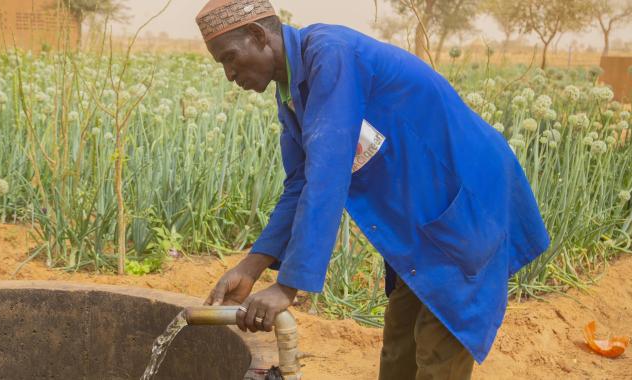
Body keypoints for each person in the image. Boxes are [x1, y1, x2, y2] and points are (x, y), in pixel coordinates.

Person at [195, 1, 550, 378]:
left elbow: (327, 173)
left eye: (230, 58)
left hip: (463, 200)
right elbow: (300, 182)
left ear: (258, 36)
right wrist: (251, 267)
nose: (230, 74)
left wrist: (288, 286)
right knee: (399, 347)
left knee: (438, 351)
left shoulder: (331, 54)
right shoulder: (291, 92)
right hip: (420, 218)